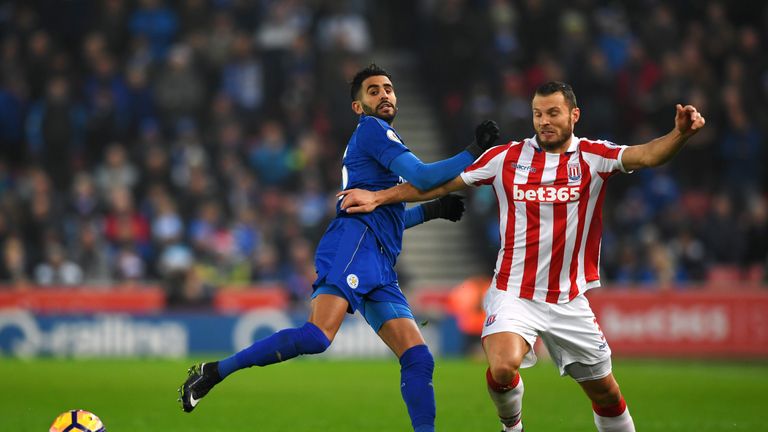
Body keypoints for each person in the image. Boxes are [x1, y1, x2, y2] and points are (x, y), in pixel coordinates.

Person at [338, 81, 706, 432]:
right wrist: (378, 197)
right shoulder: (507, 158)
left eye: (553, 113)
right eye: (538, 114)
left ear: (573, 116)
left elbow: (647, 154)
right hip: (513, 292)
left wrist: (680, 135)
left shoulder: (594, 157)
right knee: (501, 368)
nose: (544, 121)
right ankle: (512, 425)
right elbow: (437, 185)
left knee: (607, 394)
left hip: (568, 300)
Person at [178, 63, 500, 432]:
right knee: (317, 336)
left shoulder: (379, 142)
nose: (384, 94)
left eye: (389, 89)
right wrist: (474, 150)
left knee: (418, 358)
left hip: (377, 254)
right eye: (374, 90)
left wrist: (431, 211)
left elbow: (387, 216)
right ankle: (215, 371)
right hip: (354, 244)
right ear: (358, 107)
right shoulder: (374, 131)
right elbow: (425, 177)